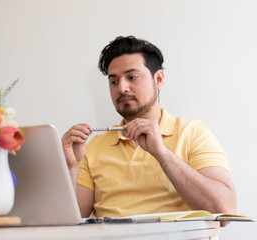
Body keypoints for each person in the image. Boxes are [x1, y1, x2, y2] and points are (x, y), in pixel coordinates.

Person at [61, 36, 236, 225]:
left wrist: (161, 152)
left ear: (158, 79)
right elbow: (71, 225)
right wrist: (71, 167)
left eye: (131, 77)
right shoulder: (93, 146)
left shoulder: (193, 133)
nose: (122, 88)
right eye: (113, 81)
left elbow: (224, 212)